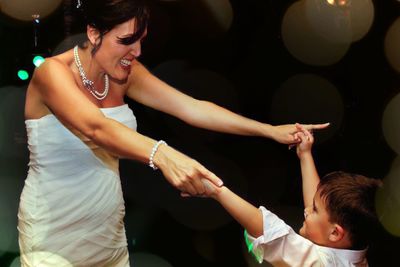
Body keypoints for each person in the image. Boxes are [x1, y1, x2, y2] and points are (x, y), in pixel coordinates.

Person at [17, 0, 329, 266]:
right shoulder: (52, 74)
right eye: (126, 40)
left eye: (141, 40)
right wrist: (162, 154)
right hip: (53, 231)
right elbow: (96, 128)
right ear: (94, 33)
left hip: (106, 229)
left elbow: (191, 108)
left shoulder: (125, 73)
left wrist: (267, 130)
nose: (137, 52)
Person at [199, 124, 383, 266]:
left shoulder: (323, 264)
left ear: (335, 232)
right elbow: (321, 205)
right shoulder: (353, 251)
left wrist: (216, 190)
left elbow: (271, 234)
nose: (307, 211)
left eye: (315, 211)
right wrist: (305, 155)